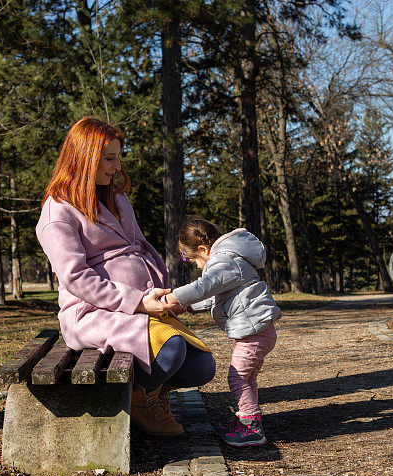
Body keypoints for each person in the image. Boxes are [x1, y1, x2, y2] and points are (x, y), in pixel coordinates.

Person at [36, 117, 216, 437]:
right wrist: (136, 301)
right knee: (172, 349)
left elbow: (142, 247)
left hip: (142, 307)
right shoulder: (58, 211)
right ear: (84, 157)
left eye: (118, 156)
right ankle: (140, 397)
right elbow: (75, 277)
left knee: (203, 366)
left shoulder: (116, 198)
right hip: (91, 313)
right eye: (109, 158)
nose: (118, 166)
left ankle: (154, 390)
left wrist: (165, 295)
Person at [162, 219, 281, 447]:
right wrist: (186, 306)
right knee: (247, 378)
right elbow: (213, 295)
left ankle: (252, 429)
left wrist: (170, 298)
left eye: (192, 260)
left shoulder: (224, 261)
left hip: (254, 333)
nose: (196, 266)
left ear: (203, 250)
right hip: (258, 331)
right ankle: (249, 419)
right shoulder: (230, 260)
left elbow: (203, 287)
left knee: (237, 378)